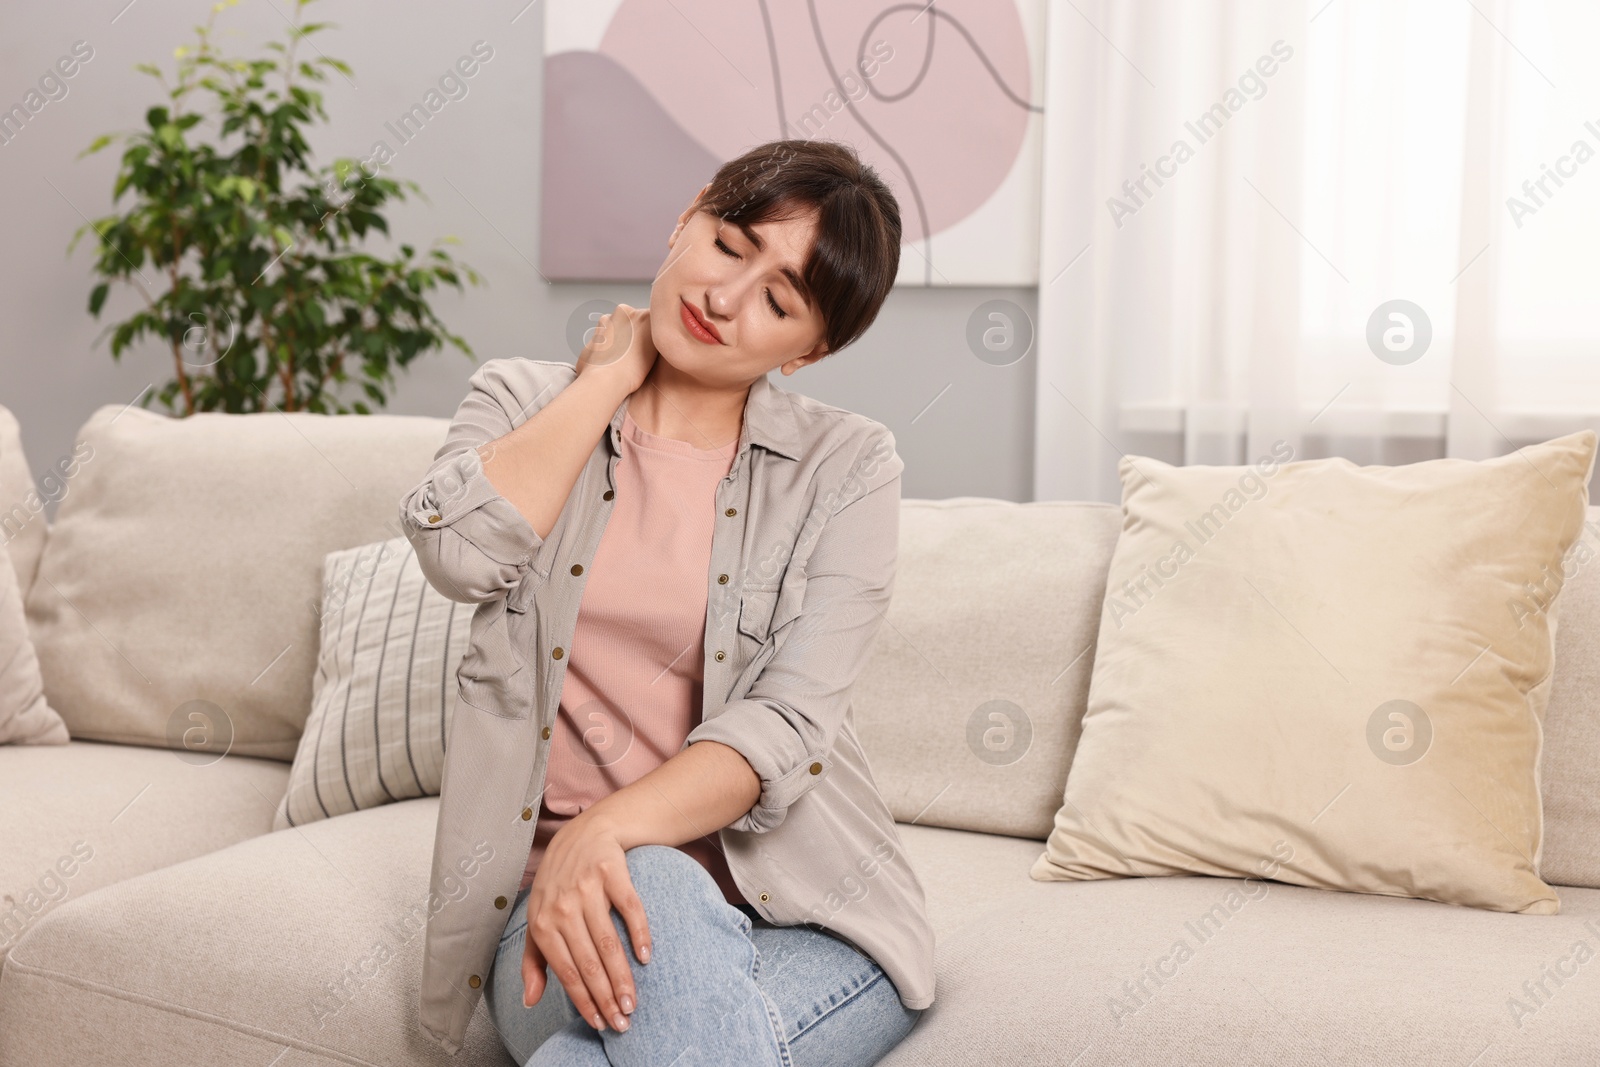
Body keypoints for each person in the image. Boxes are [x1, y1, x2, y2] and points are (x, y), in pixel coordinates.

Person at [400, 138, 934, 1066]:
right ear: (689, 215)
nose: (725, 298)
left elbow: (788, 720)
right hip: (555, 908)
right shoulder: (520, 398)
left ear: (809, 350)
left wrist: (606, 827)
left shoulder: (847, 467)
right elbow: (455, 552)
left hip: (806, 916)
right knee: (663, 897)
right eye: (729, 245)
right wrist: (606, 378)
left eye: (778, 299)